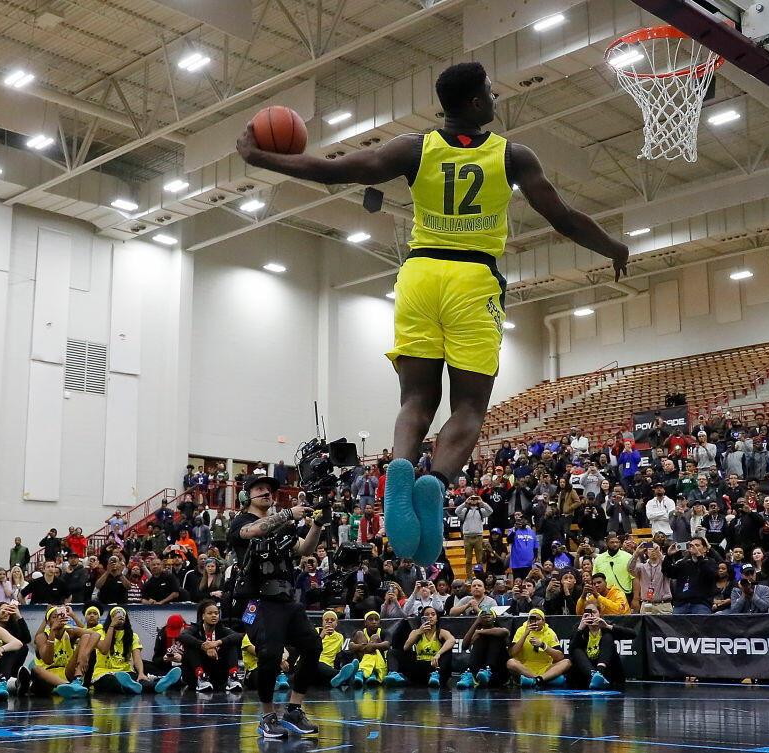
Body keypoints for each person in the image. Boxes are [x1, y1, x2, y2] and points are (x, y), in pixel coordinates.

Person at [238, 62, 627, 566]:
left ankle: (400, 466)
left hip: (419, 276)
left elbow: (338, 171)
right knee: (469, 406)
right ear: (472, 103)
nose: (494, 96)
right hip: (472, 280)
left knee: (417, 395)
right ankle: (435, 482)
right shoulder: (512, 155)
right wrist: (613, 247)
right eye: (489, 90)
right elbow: (564, 219)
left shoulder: (413, 148)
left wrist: (261, 157)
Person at [229, 474, 324, 738]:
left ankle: (294, 709)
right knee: (269, 655)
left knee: (313, 646)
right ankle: (267, 716)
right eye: (260, 489)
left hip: (285, 601)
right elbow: (255, 530)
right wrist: (288, 514)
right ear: (247, 495)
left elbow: (305, 548)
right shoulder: (241, 522)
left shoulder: (279, 527)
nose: (266, 493)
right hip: (256, 601)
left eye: (269, 490)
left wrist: (316, 524)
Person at [566, 599, 636, 690]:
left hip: (606, 670)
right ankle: (594, 676)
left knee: (608, 637)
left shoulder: (606, 626)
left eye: (594, 612)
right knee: (577, 649)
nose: (591, 615)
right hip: (585, 671)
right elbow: (570, 650)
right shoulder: (579, 628)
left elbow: (633, 634)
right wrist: (580, 629)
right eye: (587, 613)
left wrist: (608, 626)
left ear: (600, 613)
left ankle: (599, 673)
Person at [31, 605, 98, 698]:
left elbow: (96, 635)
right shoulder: (41, 636)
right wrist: (53, 632)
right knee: (36, 669)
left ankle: (77, 680)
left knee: (86, 636)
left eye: (60, 616)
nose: (58, 620)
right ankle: (69, 686)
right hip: (47, 676)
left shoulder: (70, 632)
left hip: (67, 672)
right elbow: (48, 660)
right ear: (48, 622)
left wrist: (85, 655)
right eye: (54, 617)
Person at [89, 607, 159, 694]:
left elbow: (137, 659)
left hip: (125, 673)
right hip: (104, 672)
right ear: (110, 618)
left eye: (122, 614)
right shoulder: (100, 633)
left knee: (141, 680)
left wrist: (141, 673)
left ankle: (157, 686)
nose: (120, 616)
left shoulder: (133, 636)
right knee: (112, 682)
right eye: (116, 614)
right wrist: (112, 625)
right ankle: (129, 688)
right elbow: (104, 650)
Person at [505, 608, 570, 689]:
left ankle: (536, 680)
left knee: (567, 662)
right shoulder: (521, 630)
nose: (535, 621)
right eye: (532, 619)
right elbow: (512, 653)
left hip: (545, 668)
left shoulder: (549, 632)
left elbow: (560, 657)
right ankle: (540, 680)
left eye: (538, 619)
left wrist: (543, 645)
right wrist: (525, 635)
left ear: (543, 621)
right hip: (525, 668)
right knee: (510, 662)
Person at [391, 606, 455, 687]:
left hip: (435, 667)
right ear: (422, 619)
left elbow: (452, 640)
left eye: (433, 614)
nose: (430, 616)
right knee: (393, 652)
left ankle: (436, 674)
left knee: (447, 651)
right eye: (427, 615)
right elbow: (406, 647)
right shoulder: (416, 632)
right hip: (419, 668)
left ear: (437, 619)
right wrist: (419, 632)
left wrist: (438, 654)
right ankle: (393, 673)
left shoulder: (441, 632)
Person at [662, 537, 720, 615]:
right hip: (681, 604)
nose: (694, 548)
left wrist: (699, 557)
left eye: (697, 545)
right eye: (692, 546)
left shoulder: (711, 562)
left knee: (700, 627)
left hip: (701, 605)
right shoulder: (683, 563)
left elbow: (711, 575)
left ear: (705, 549)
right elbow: (667, 572)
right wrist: (669, 555)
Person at [457, 608, 510, 689]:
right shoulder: (478, 634)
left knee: (495, 637)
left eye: (489, 614)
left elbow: (505, 632)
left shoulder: (500, 631)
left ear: (495, 618)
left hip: (498, 671)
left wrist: (479, 632)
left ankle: (488, 669)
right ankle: (470, 673)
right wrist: (476, 623)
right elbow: (464, 646)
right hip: (480, 673)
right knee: (481, 639)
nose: (487, 615)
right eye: (483, 614)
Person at [347, 612, 390, 687]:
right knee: (359, 634)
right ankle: (370, 674)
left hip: (378, 666)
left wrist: (373, 645)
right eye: (371, 619)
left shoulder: (384, 632)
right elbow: (351, 646)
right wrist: (361, 646)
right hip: (362, 659)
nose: (374, 622)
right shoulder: (359, 632)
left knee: (375, 637)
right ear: (365, 623)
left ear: (379, 622)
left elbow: (387, 645)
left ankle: (365, 672)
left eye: (376, 620)